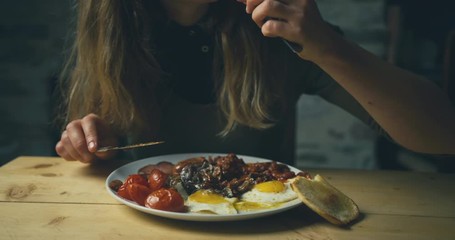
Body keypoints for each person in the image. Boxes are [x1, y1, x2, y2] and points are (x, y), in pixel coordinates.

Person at [55, 0, 455, 165]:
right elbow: (94, 144)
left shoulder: (281, 32)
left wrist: (327, 45)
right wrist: (87, 140)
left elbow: (443, 133)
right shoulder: (110, 28)